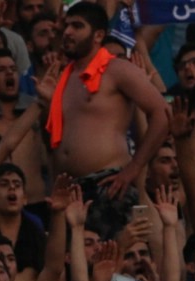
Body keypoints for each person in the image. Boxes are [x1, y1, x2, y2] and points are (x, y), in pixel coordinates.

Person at [44, 3, 169, 230]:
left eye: (77, 26)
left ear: (98, 35)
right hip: (68, 192)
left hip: (109, 185)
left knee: (118, 252)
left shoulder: (117, 69)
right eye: (67, 26)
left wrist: (134, 168)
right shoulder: (64, 76)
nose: (68, 32)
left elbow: (162, 113)